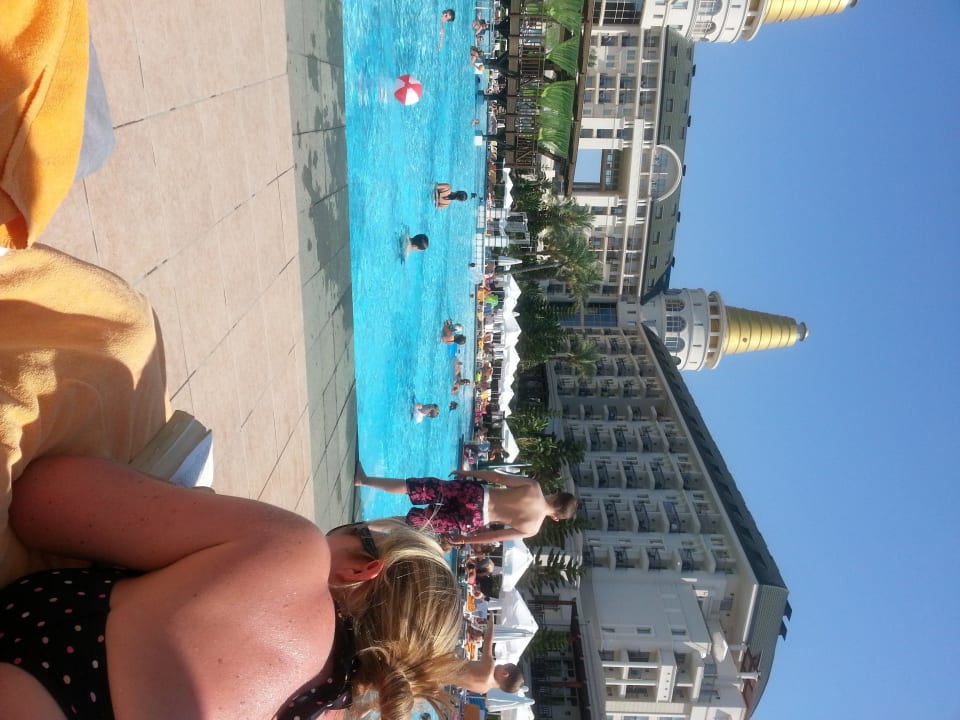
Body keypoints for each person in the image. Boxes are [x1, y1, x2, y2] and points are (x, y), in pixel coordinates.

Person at [0, 457, 465, 720]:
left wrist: (178, 503)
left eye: (360, 530)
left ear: (362, 570)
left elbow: (39, 500)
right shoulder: (324, 710)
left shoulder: (294, 553)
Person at [355, 466, 578, 543]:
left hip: (475, 494)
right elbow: (494, 536)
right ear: (556, 517)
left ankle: (364, 480)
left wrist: (468, 472)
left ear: (556, 495)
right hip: (474, 520)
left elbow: (498, 477)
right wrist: (465, 540)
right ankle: (366, 527)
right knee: (417, 522)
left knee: (416, 487)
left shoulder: (534, 488)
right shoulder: (532, 529)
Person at [461, 620, 525, 694]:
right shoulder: (483, 690)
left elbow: (488, 639)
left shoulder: (489, 669)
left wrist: (491, 620)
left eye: (503, 665)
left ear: (504, 674)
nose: (500, 664)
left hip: (450, 664)